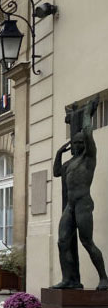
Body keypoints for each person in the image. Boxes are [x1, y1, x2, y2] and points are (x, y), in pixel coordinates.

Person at [53, 98, 108, 290]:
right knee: (62, 241)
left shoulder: (88, 158)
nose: (76, 145)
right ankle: (70, 279)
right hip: (70, 205)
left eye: (78, 142)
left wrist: (87, 115)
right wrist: (59, 152)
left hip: (83, 203)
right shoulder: (70, 163)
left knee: (86, 241)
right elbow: (56, 172)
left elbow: (87, 132)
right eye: (74, 143)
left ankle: (103, 278)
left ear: (83, 144)